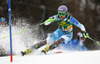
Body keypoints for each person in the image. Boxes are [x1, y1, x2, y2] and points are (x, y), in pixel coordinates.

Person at [21, 5, 88, 55]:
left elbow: (80, 25)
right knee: (46, 41)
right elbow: (46, 23)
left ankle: (46, 50)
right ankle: (29, 50)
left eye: (63, 14)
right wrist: (49, 20)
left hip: (68, 34)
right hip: (59, 32)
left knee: (61, 39)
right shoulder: (57, 17)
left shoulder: (70, 19)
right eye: (59, 13)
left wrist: (84, 31)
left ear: (66, 13)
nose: (61, 16)